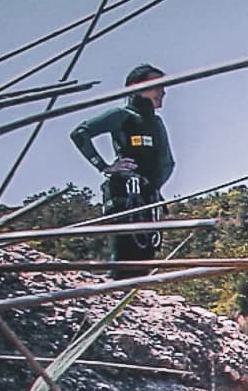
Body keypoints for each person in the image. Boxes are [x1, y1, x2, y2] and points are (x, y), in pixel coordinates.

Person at [69, 64, 174, 273]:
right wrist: (105, 166)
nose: (163, 91)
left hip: (147, 197)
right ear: (137, 87)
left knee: (146, 257)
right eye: (157, 85)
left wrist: (154, 186)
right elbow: (80, 133)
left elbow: (167, 162)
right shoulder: (122, 115)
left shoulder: (156, 122)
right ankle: (116, 290)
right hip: (124, 194)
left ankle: (136, 296)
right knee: (125, 252)